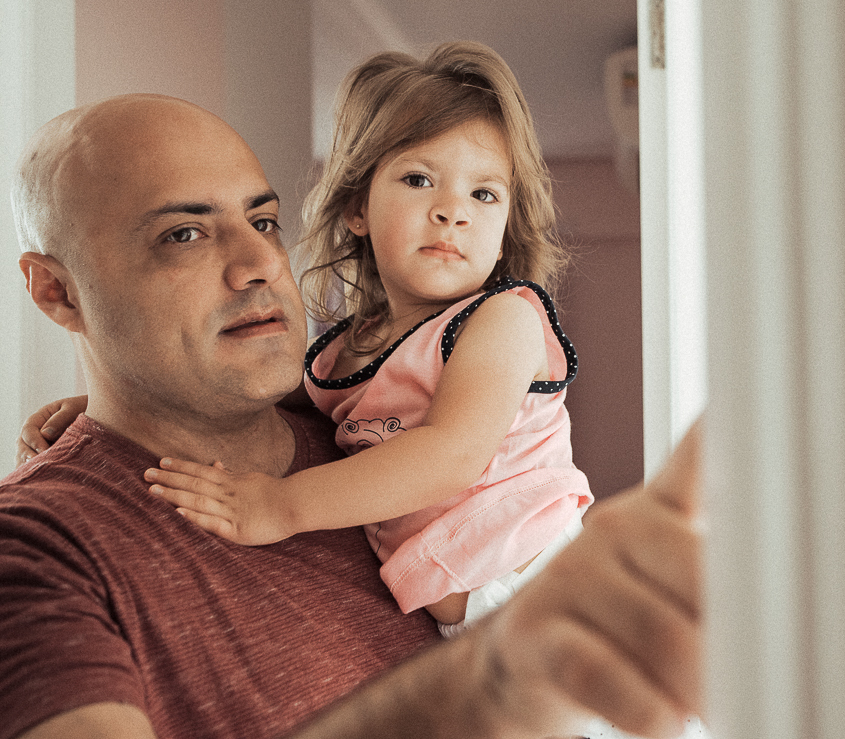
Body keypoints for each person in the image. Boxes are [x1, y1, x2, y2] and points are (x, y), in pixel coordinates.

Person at [1, 93, 702, 739]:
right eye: (183, 234)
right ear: (57, 292)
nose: (260, 264)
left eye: (265, 221)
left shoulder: (367, 433)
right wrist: (492, 685)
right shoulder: (38, 545)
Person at [46, 44, 593, 637]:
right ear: (357, 208)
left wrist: (280, 507)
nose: (452, 212)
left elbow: (450, 457)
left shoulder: (500, 320)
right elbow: (258, 400)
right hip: (469, 620)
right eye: (419, 179)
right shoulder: (341, 352)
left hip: (544, 584)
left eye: (484, 194)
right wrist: (128, 404)